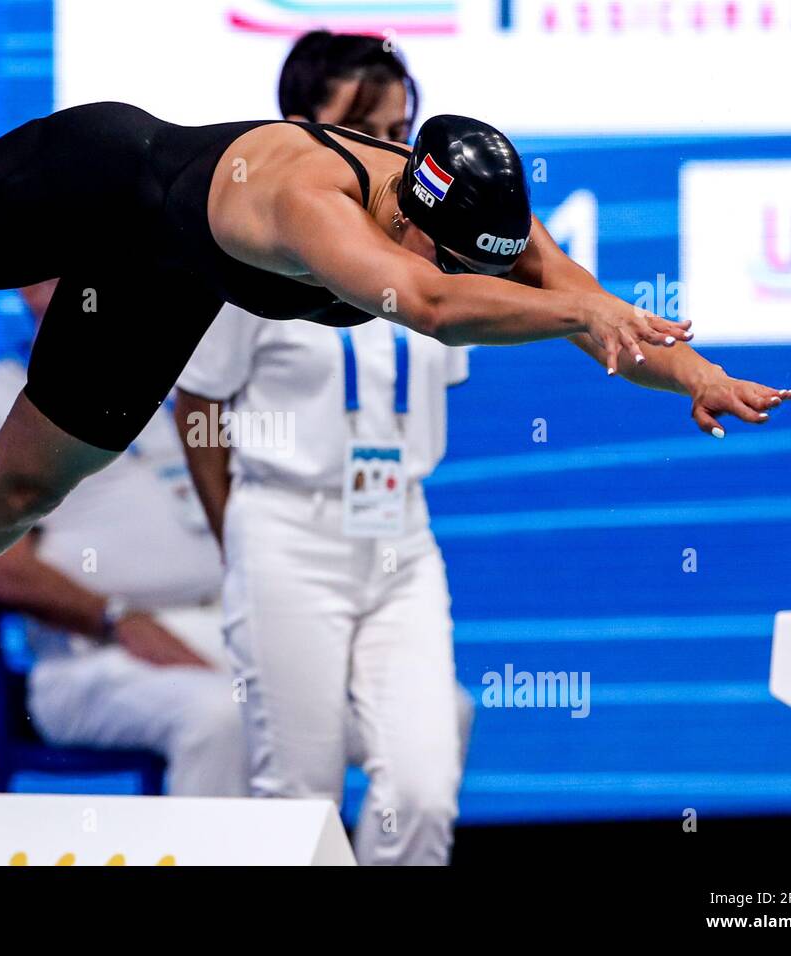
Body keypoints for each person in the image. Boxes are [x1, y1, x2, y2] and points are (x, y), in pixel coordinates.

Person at [0, 96, 791, 751]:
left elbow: (588, 318)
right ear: (408, 212)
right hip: (98, 176)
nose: (447, 264)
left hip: (161, 278)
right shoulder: (323, 206)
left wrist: (691, 372)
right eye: (434, 248)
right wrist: (577, 307)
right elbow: (442, 310)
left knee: (26, 488)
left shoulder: (481, 228)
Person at [175, 31, 474, 865]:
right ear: (303, 129)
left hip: (401, 538)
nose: (398, 152)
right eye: (372, 128)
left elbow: (440, 376)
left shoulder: (434, 250)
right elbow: (198, 402)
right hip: (285, 534)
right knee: (297, 801)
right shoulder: (255, 241)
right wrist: (239, 538)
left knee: (421, 786)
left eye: (404, 128)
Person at [0, 281, 247, 795]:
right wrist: (118, 620)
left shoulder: (170, 387)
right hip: (94, 655)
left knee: (340, 710)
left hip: (225, 627)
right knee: (221, 718)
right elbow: (3, 572)